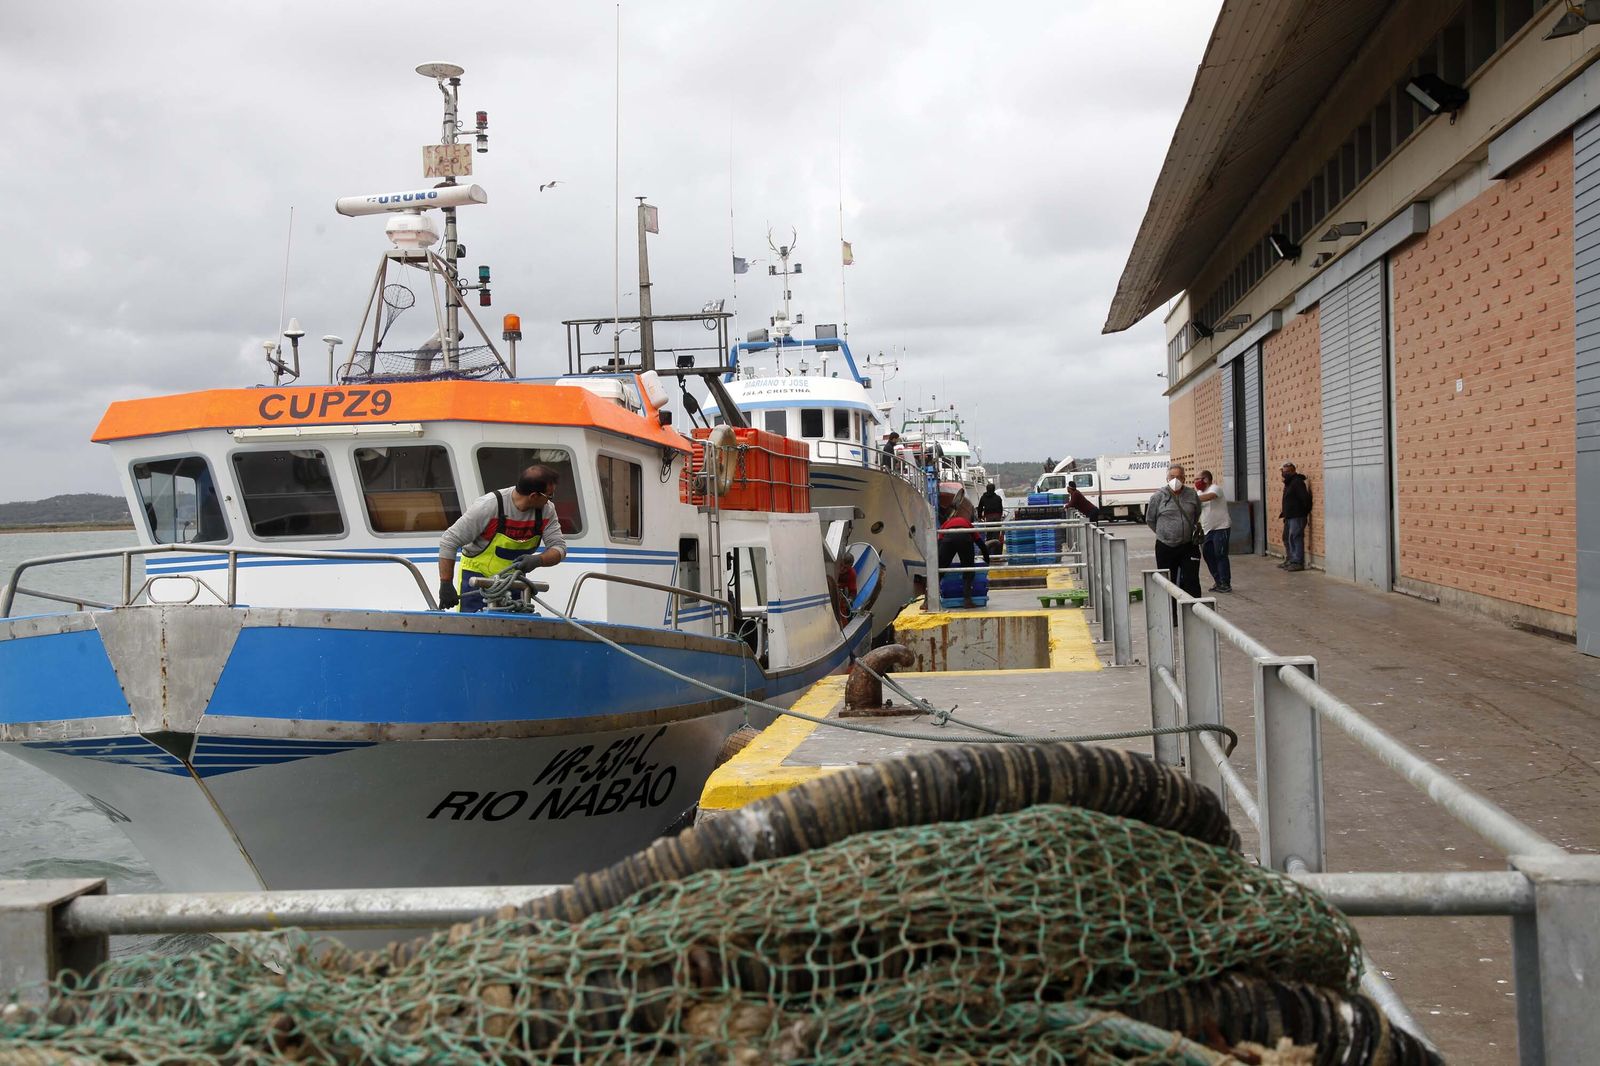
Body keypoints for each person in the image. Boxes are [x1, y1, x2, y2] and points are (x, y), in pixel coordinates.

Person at [437, 465, 568, 612]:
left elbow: (559, 548)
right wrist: (446, 584)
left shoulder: (547, 511)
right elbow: (449, 540)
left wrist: (539, 560)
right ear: (533, 496)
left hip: (515, 585)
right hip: (475, 583)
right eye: (549, 496)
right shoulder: (488, 506)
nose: (550, 500)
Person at [1145, 463, 1202, 598]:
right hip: (1165, 546)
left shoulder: (1192, 495)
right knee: (1167, 581)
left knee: (1191, 581)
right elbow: (1150, 519)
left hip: (1188, 545)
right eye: (1172, 476)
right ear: (1167, 478)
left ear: (1184, 479)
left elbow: (1196, 514)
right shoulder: (1158, 497)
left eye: (1179, 477)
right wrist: (1164, 533)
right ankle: (1171, 613)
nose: (1175, 480)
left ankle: (1194, 611)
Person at [938, 498, 990, 608]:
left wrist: (939, 559)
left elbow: (940, 542)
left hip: (948, 536)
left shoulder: (946, 524)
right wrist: (987, 560)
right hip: (965, 536)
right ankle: (967, 600)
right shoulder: (968, 524)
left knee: (939, 569)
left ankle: (928, 601)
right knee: (968, 569)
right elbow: (980, 543)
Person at [1194, 470, 1232, 593]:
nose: (1196, 482)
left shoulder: (1215, 489)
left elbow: (1210, 497)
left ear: (1206, 479)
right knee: (1208, 555)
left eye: (1198, 479)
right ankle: (1218, 580)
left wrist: (1191, 497)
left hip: (1220, 527)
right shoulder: (1199, 492)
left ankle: (1225, 583)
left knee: (1220, 555)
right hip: (1206, 530)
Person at [1278, 462, 1313, 572]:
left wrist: (1303, 512)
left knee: (1295, 537)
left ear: (1293, 471)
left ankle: (1297, 562)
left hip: (1297, 516)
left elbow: (1305, 499)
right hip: (1289, 516)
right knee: (1287, 538)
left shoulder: (1297, 482)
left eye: (1287, 471)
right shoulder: (1289, 483)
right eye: (1283, 471)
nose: (1284, 473)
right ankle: (1290, 559)